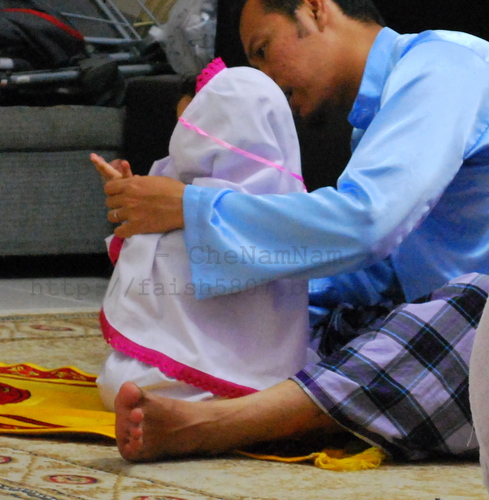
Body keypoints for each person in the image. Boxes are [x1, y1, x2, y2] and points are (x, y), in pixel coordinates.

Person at [102, 0, 489, 465]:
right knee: (309, 321)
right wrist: (266, 298)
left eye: (264, 50)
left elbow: (365, 223)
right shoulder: (379, 117)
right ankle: (303, 404)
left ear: (315, 9)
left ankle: (225, 423)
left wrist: (189, 208)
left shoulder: (446, 64)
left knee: (476, 307)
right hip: (436, 319)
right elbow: (381, 269)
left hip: (471, 316)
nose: (264, 78)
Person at [92, 58, 311, 411]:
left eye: (191, 126)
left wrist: (151, 233)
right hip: (265, 370)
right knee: (123, 382)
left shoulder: (281, 215)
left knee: (122, 386)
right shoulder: (285, 200)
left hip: (230, 362)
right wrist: (134, 207)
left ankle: (205, 406)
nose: (181, 139)